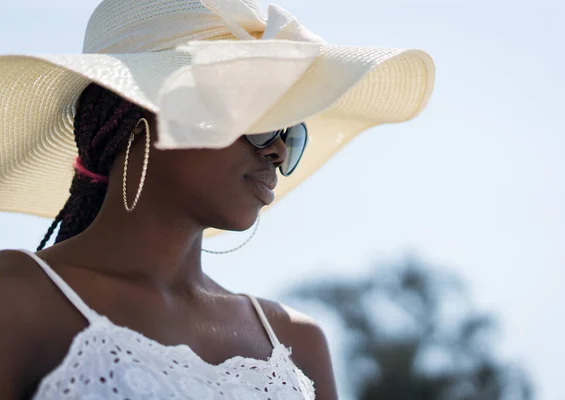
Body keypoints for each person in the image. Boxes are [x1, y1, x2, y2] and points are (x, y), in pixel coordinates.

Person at [0, 0, 435, 398]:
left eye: (291, 131)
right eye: (262, 117)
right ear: (139, 118)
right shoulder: (16, 296)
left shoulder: (297, 344)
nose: (278, 150)